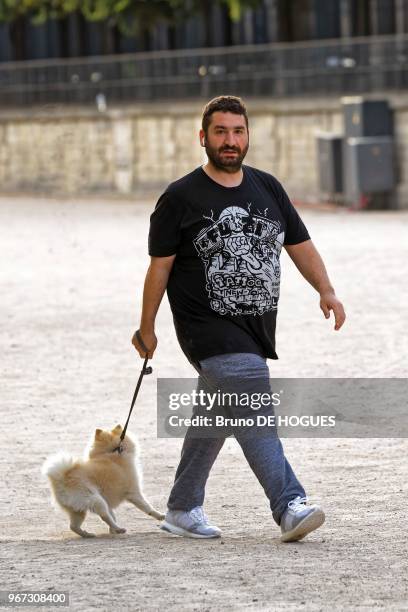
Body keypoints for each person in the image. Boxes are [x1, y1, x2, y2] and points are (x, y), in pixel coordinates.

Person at [132, 96, 346, 542]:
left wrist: (325, 289)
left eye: (238, 131)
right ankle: (289, 504)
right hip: (205, 328)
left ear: (248, 135)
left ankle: (182, 508)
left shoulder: (267, 187)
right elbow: (160, 267)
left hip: (254, 328)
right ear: (203, 137)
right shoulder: (179, 197)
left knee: (215, 414)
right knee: (252, 408)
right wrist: (147, 326)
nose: (230, 141)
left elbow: (300, 244)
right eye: (221, 132)